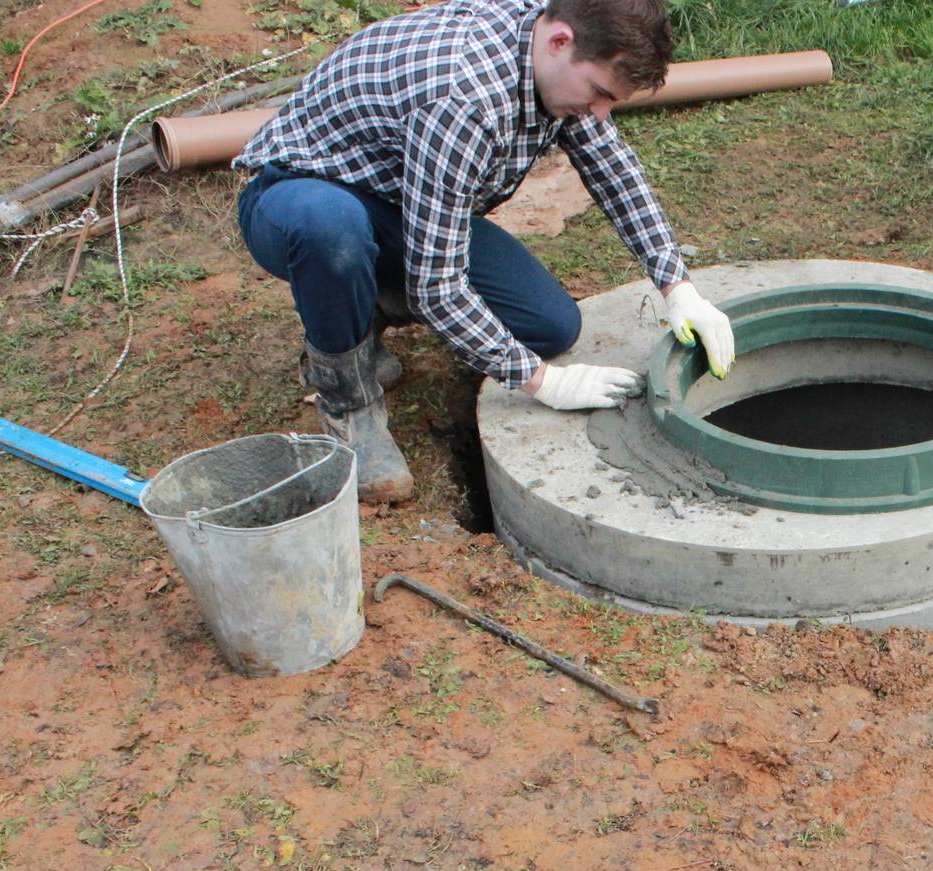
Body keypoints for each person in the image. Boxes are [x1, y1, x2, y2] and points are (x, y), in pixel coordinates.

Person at [234, 0, 735, 503]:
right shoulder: (464, 96)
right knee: (333, 233)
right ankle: (349, 403)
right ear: (560, 41)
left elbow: (615, 174)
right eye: (600, 93)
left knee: (550, 325)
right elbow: (438, 288)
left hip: (399, 202)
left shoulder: (552, 48)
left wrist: (679, 288)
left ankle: (363, 309)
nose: (601, 113)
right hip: (299, 196)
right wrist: (543, 384)